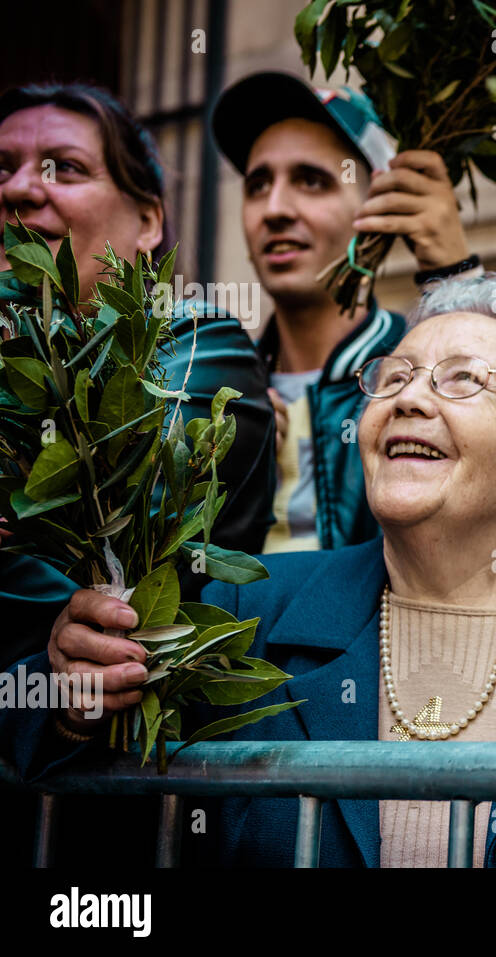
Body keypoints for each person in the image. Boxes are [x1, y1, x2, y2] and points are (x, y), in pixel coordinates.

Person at [3, 273, 496, 867]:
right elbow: (100, 852)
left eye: (463, 381)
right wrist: (71, 709)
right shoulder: (243, 613)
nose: (409, 397)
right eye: (395, 377)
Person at [0, 81, 275, 662]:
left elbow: (110, 561)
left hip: (143, 744)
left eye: (65, 169)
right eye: (2, 169)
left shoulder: (195, 339)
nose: (20, 189)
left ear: (149, 220)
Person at [211, 72, 480, 553]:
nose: (275, 209)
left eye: (311, 181)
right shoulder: (211, 389)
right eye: (257, 184)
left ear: (379, 204)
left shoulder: (422, 382)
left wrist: (460, 280)